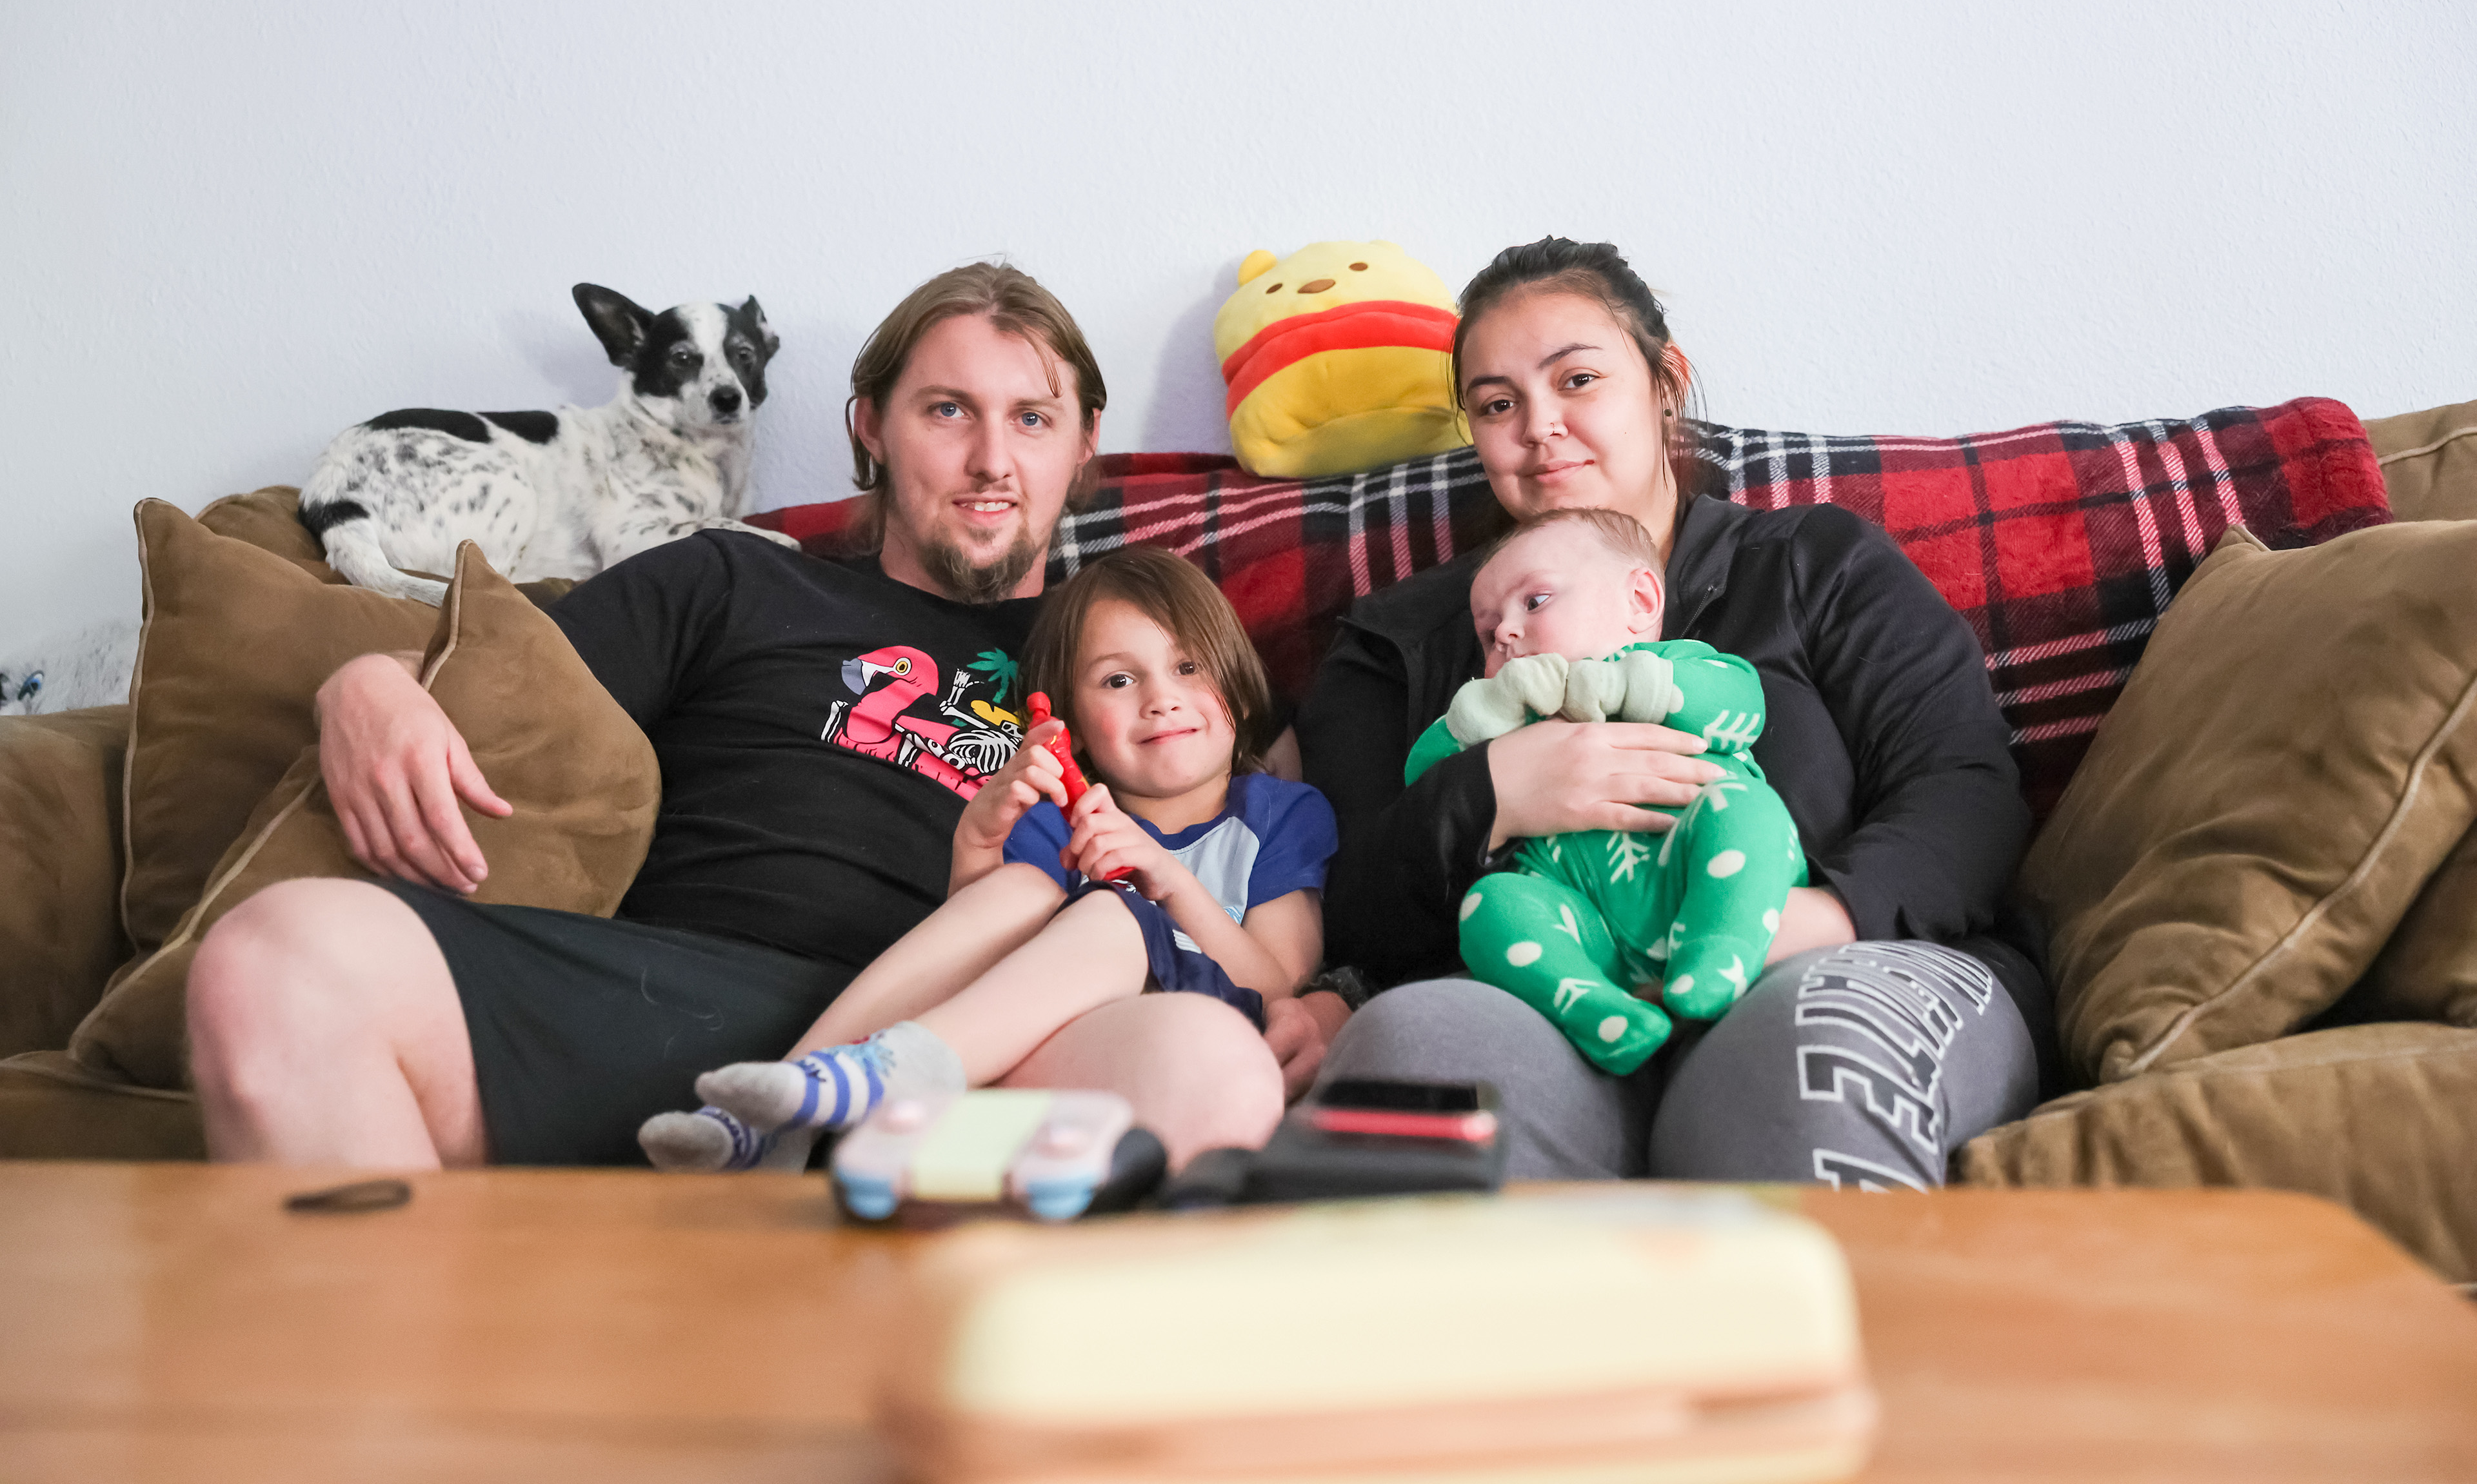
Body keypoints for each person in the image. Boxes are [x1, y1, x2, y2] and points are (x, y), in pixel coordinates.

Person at [188, 264, 1289, 1171]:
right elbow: (508, 678)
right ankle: (430, 1411)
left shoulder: (1126, 645)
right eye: (948, 410)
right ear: (870, 428)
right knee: (276, 960)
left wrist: (1315, 997)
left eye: (1032, 418)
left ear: (1084, 440)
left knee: (1213, 1068)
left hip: (970, 1044)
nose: (993, 460)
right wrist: (370, 681)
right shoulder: (732, 579)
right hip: (662, 996)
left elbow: (1273, 806)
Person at [1289, 237, 2047, 1189]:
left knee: (1810, 1059)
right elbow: (1344, 902)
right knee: (1415, 1050)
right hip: (1551, 1005)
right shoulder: (1397, 643)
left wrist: (1794, 921)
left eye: (1577, 380)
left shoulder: (1814, 565)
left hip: (1833, 962)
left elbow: (1967, 794)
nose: (1538, 427)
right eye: (1496, 404)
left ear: (1664, 383)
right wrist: (1497, 792)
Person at [637, 548, 1335, 1171]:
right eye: (1118, 681)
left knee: (1114, 915)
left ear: (1240, 691)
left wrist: (1170, 879)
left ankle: (883, 1076)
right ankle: (774, 1111)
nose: (1161, 699)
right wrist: (975, 850)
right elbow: (977, 947)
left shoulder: (1280, 812)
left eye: (1188, 667)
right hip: (1042, 1049)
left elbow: (1277, 986)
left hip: (1185, 1037)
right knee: (1026, 893)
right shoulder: (1061, 818)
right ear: (1073, 726)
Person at [1415, 507, 1801, 1076]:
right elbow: (1421, 781)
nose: (1504, 633)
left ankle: (1721, 952)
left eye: (1535, 601)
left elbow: (1744, 708)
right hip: (1582, 921)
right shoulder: (1511, 720)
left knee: (1749, 811)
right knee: (1492, 907)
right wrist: (1488, 714)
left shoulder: (1672, 665)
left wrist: (1632, 684)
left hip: (1694, 867)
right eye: (1487, 631)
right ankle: (1598, 1008)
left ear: (1641, 602)